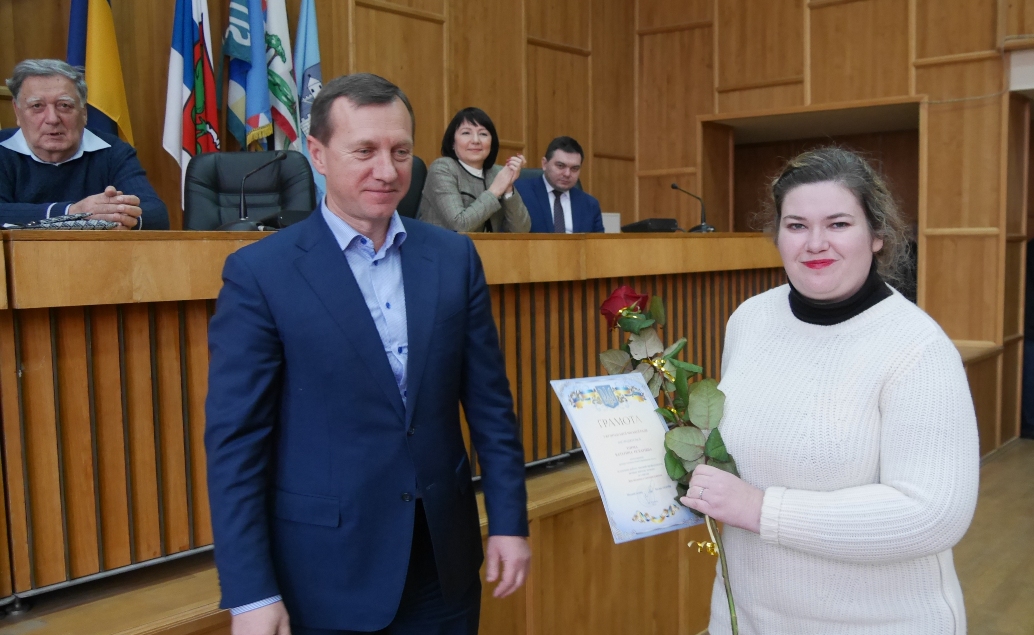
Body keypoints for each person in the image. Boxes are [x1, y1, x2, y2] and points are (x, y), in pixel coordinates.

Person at [204, 73, 531, 635]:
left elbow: (491, 408)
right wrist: (250, 591)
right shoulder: (261, 274)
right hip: (326, 572)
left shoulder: (453, 258)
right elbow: (236, 444)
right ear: (318, 154)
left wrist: (508, 520)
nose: (387, 170)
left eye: (400, 151)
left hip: (443, 563)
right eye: (364, 151)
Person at [680, 147, 979, 635]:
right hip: (746, 618)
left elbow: (933, 515)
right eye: (796, 225)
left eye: (838, 224)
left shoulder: (918, 347)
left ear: (877, 235)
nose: (815, 243)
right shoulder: (750, 320)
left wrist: (761, 510)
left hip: (879, 625)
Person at [1, 59, 169, 229]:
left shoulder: (112, 151)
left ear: (83, 112)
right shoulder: (3, 150)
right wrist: (72, 212)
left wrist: (120, 218)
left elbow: (157, 215)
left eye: (64, 105)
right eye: (37, 106)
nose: (52, 119)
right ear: (17, 111)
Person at [417, 107, 531, 233]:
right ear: (453, 142)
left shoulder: (497, 173)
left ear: (491, 143)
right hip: (442, 245)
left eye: (483, 134)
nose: (476, 140)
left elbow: (521, 230)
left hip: (487, 246)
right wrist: (495, 190)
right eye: (466, 133)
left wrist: (508, 188)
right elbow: (460, 225)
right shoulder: (442, 169)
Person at [515, 136, 603, 233]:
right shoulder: (519, 193)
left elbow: (598, 242)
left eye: (574, 168)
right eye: (560, 166)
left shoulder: (590, 205)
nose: (567, 174)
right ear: (544, 164)